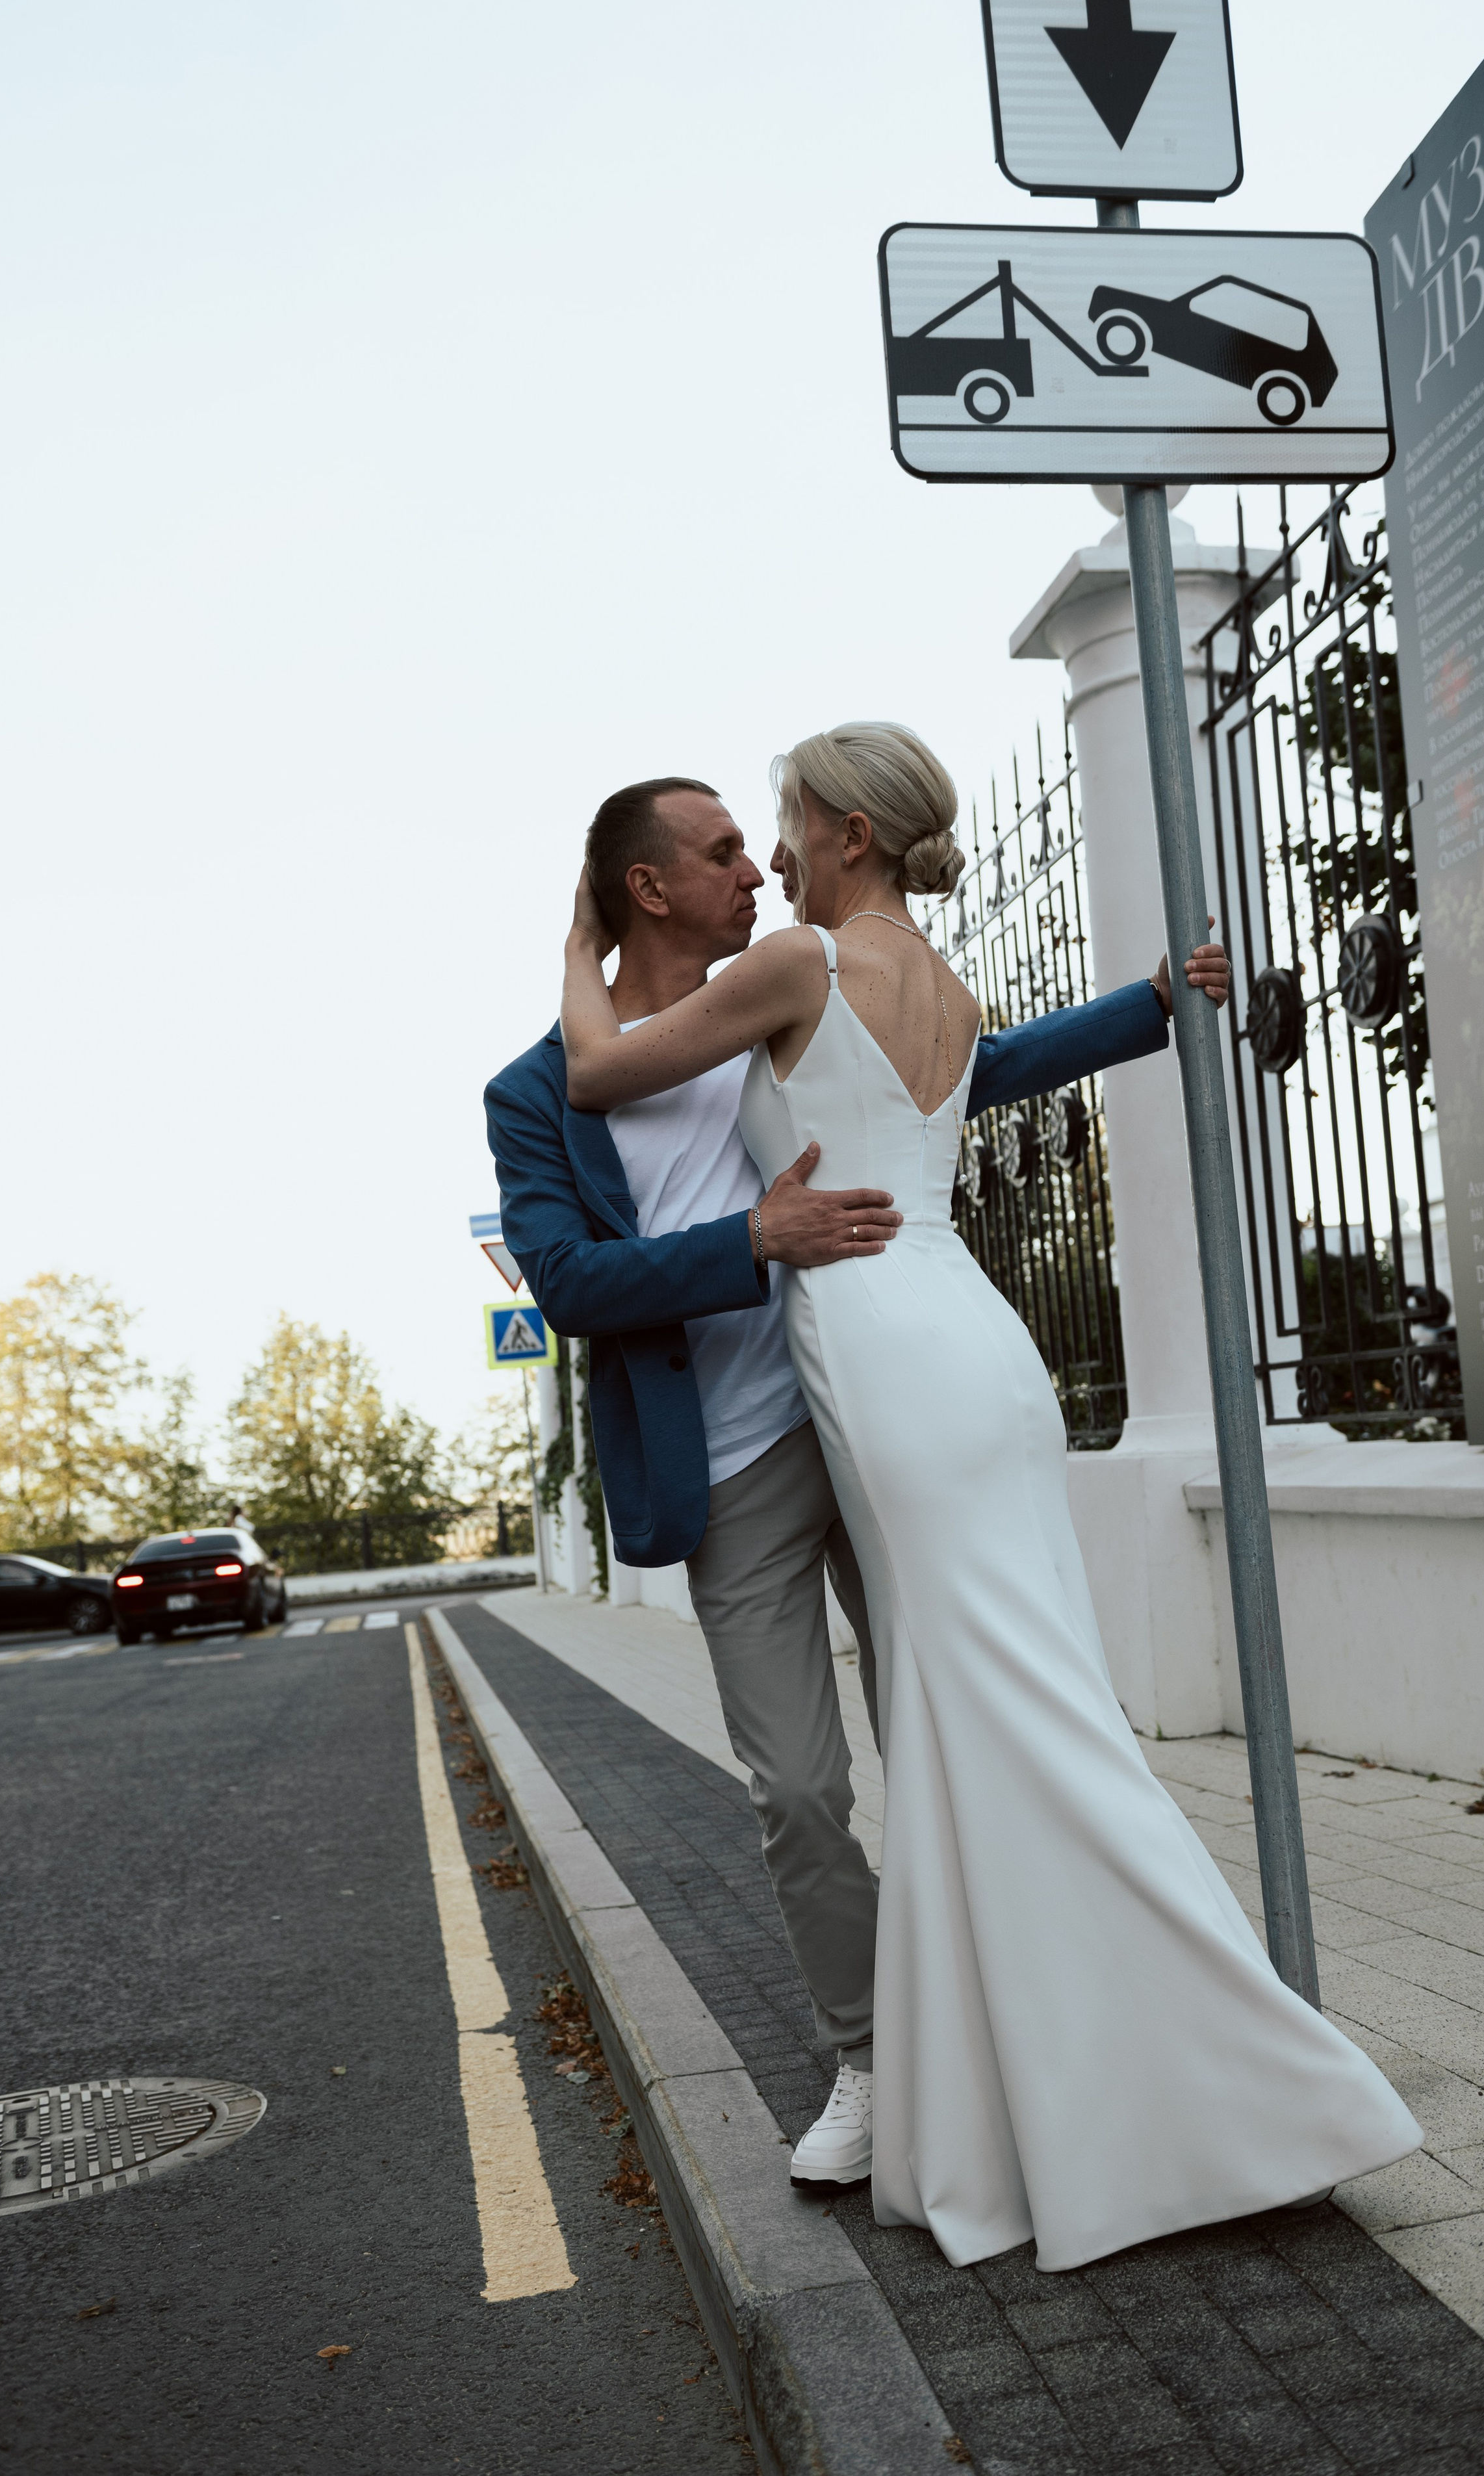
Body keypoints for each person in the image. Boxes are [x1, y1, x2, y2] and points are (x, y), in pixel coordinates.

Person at [557, 724, 1420, 2272]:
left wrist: (574, 939)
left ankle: (1239, 2087)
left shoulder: (800, 963)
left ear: (848, 833)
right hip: (977, 1353)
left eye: (785, 820)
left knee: (1002, 1724)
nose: (771, 846)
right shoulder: (940, 982)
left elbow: (599, 1062)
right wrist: (1152, 1002)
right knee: (1005, 1721)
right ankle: (1029, 2094)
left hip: (889, 1367)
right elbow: (987, 1075)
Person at [487, 768, 1223, 2188]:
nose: (754, 872)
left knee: (948, 1731)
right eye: (716, 856)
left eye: (754, 848)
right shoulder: (532, 1092)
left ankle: (1025, 2038)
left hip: (880, 1418)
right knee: (799, 1788)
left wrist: (1144, 1005)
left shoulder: (780, 988)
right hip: (734, 1463)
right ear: (646, 888)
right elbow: (568, 1280)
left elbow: (953, 1069)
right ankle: (875, 2063)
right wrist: (750, 1240)